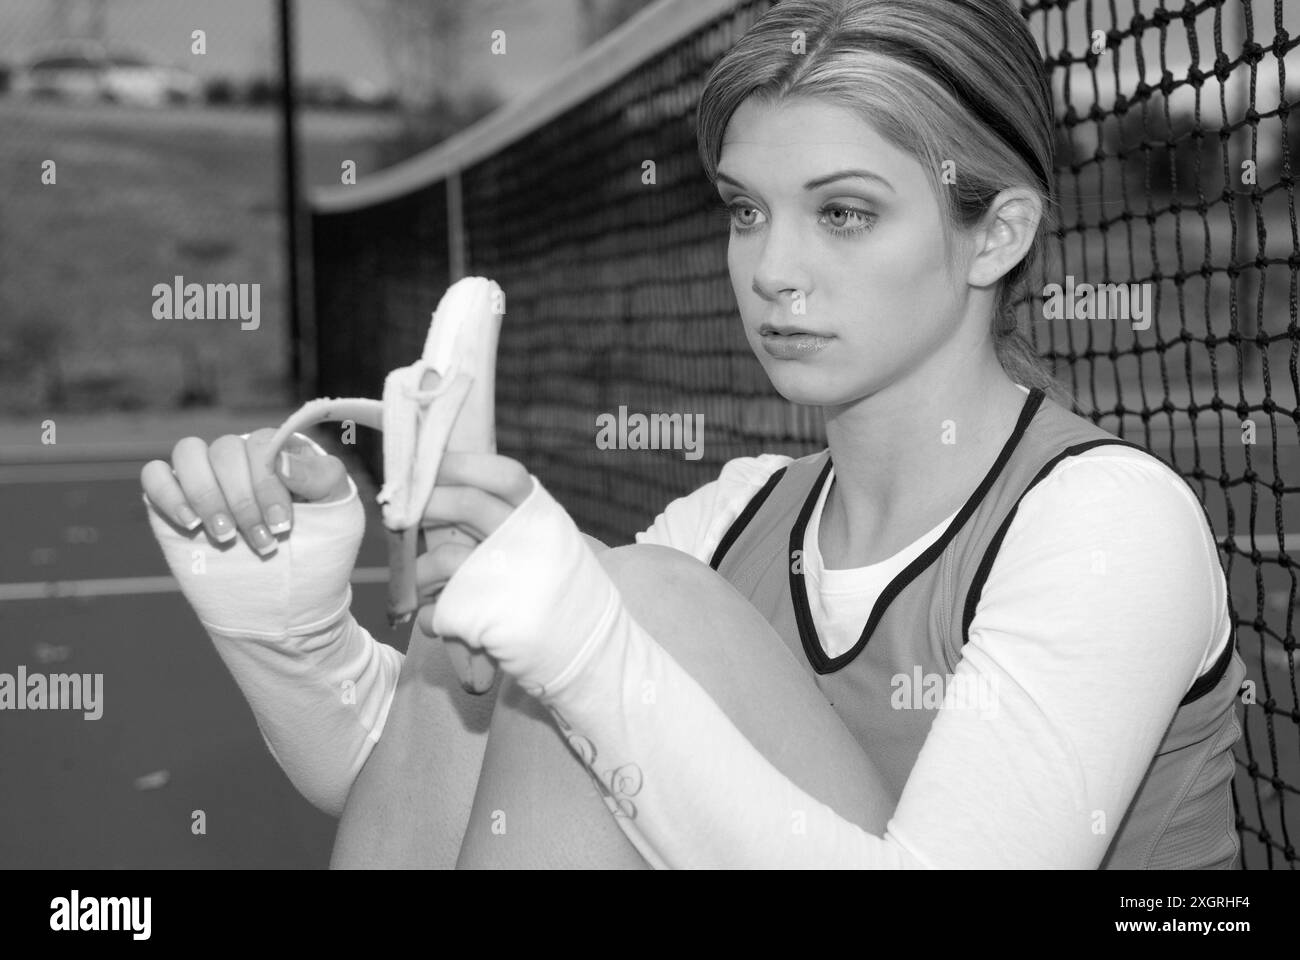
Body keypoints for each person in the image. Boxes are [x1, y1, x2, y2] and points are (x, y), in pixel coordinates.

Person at [141, 0, 1245, 869]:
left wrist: (586, 640)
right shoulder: (730, 519)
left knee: (624, 605)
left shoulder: (1107, 524)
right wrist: (292, 640)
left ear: (995, 234)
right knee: (508, 623)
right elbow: (433, 800)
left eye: (845, 212)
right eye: (745, 208)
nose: (771, 269)